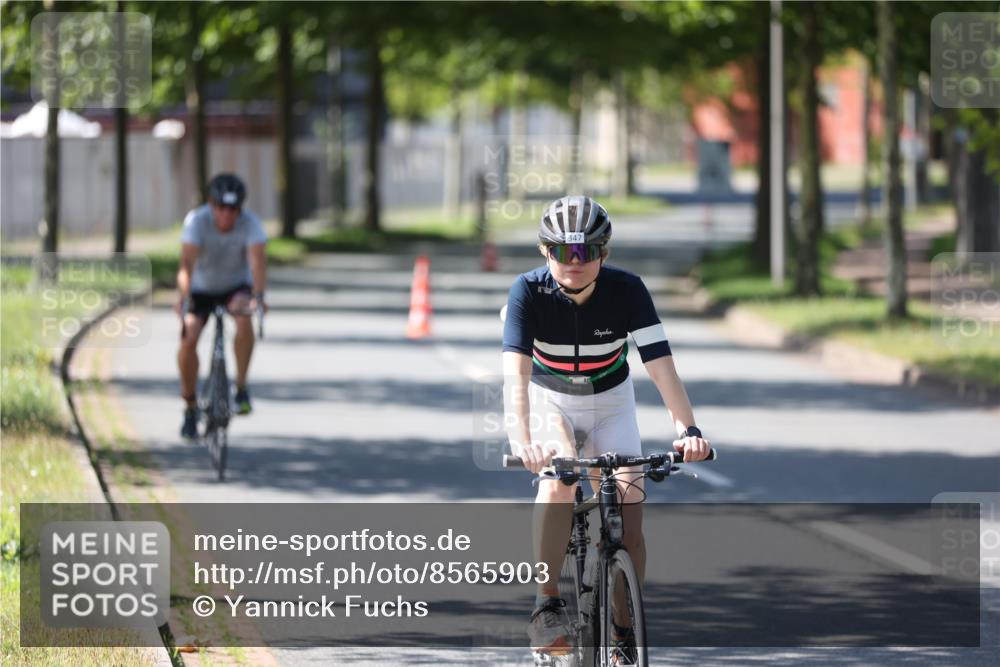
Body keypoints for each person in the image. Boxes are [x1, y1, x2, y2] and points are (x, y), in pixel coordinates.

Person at [502, 195, 711, 661]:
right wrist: (524, 442)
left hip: (611, 401)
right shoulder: (527, 292)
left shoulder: (628, 290)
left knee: (630, 498)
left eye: (586, 252)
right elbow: (514, 376)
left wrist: (688, 429)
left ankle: (622, 631)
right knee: (558, 482)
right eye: (562, 252)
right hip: (552, 399)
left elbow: (662, 369)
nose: (574, 263)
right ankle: (547, 603)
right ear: (544, 251)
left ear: (604, 253)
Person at [176, 173, 267, 439]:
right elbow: (186, 266)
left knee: (243, 318)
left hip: (234, 286)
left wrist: (258, 298)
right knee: (189, 336)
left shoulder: (251, 224)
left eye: (233, 209)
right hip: (201, 288)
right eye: (221, 208)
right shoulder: (197, 222)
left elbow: (257, 264)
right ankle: (190, 406)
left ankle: (240, 386)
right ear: (211, 205)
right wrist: (183, 297)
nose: (227, 214)